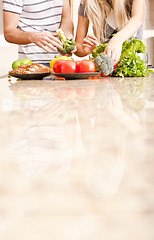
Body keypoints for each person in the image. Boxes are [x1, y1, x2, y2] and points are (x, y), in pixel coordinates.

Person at [3, 0, 74, 66]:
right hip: (31, 63)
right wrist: (33, 37)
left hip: (62, 62)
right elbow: (9, 33)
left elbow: (66, 20)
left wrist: (67, 40)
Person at [75, 0, 145, 64]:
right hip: (108, 64)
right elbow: (78, 46)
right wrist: (85, 50)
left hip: (134, 61)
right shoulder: (87, 2)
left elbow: (137, 18)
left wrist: (117, 40)